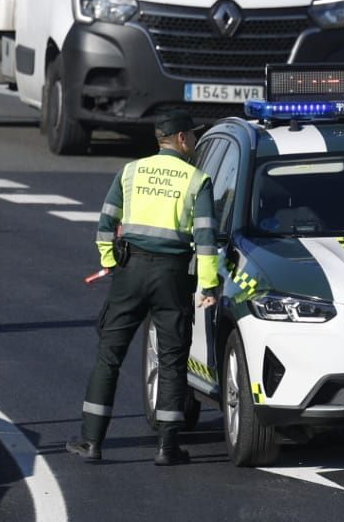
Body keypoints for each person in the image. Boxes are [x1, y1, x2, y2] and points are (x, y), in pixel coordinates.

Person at [68, 111, 218, 467]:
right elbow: (206, 239)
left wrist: (109, 260)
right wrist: (208, 284)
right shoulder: (198, 180)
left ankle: (91, 441)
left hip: (130, 271)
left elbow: (106, 220)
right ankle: (168, 448)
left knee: (109, 355)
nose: (195, 142)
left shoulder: (131, 171)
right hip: (172, 274)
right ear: (181, 139)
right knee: (171, 359)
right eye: (193, 136)